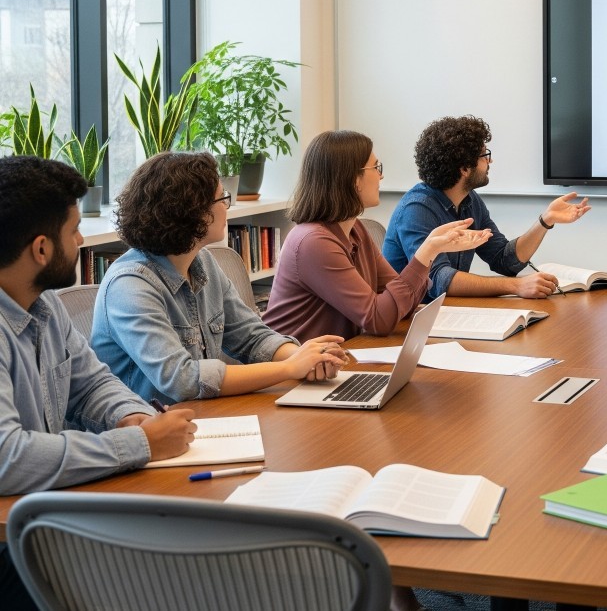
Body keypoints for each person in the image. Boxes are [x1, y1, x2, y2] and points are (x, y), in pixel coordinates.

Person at [0, 156, 196, 610]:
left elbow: (91, 384)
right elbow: (7, 458)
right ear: (42, 249)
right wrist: (140, 445)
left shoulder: (44, 309)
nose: (82, 240)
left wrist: (136, 417)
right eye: (74, 232)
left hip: (35, 521)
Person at [92, 152, 350, 405]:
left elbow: (251, 336)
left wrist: (305, 357)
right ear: (195, 212)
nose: (227, 208)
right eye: (222, 199)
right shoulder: (130, 286)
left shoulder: (202, 263)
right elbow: (181, 379)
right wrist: (290, 368)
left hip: (199, 419)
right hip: (147, 434)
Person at [263, 130, 492, 341]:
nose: (381, 177)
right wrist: (428, 251)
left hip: (336, 360)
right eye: (376, 168)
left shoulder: (355, 230)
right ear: (353, 179)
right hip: (293, 377)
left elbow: (404, 303)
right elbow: (378, 319)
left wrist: (432, 246)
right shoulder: (313, 242)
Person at [382, 116, 591, 299]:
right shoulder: (417, 209)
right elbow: (438, 280)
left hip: (446, 313)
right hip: (410, 323)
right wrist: (516, 286)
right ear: (464, 168)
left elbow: (504, 260)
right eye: (484, 155)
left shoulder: (470, 200)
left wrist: (546, 220)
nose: (490, 160)